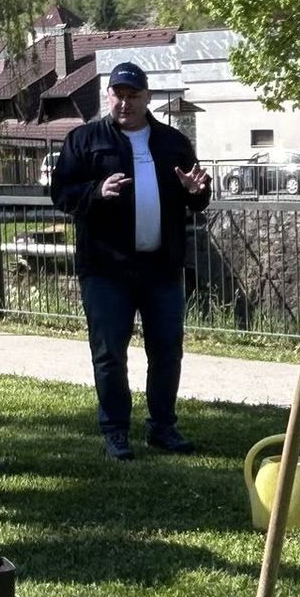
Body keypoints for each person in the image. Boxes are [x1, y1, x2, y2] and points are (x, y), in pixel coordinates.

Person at [51, 61, 212, 460]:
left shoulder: (172, 142)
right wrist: (95, 191)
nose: (125, 103)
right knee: (109, 353)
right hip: (106, 269)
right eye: (118, 94)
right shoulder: (84, 140)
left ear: (147, 98)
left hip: (161, 269)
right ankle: (115, 431)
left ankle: (163, 427)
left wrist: (195, 192)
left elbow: (198, 199)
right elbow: (61, 193)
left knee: (167, 350)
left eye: (133, 95)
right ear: (108, 97)